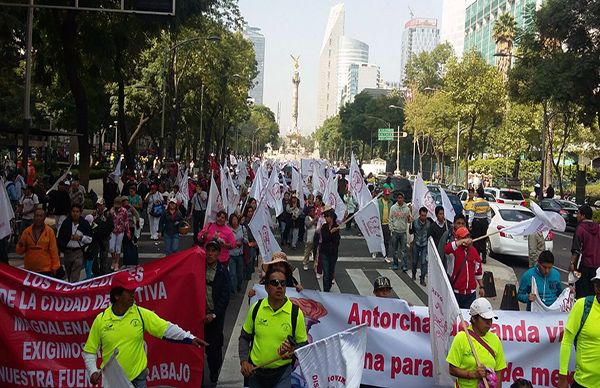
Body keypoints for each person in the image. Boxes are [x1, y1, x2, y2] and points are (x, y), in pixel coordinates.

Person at [83, 282, 207, 387]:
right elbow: (90, 351)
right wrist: (93, 371)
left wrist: (190, 338)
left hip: (138, 379)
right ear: (117, 296)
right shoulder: (101, 320)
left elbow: (165, 328)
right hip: (113, 382)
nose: (133, 294)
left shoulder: (141, 314)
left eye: (133, 291)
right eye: (129, 292)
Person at [239, 267, 308, 387]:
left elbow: (304, 345)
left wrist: (293, 352)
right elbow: (244, 337)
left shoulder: (295, 313)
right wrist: (244, 361)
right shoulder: (256, 308)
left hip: (282, 374)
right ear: (266, 287)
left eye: (283, 283)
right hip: (256, 373)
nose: (279, 286)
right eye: (274, 283)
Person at [447, 298, 507, 388]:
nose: (489, 323)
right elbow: (452, 369)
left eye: (491, 319)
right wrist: (473, 374)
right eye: (485, 319)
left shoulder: (495, 340)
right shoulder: (461, 338)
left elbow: (498, 371)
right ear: (474, 318)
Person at [558, 268, 600, 388]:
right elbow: (566, 341)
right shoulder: (582, 305)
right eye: (597, 285)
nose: (599, 289)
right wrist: (562, 377)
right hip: (583, 383)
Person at [204, 239, 231, 384]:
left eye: (213, 250)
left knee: (213, 350)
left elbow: (225, 296)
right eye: (208, 250)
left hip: (214, 318)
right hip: (199, 316)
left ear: (219, 253)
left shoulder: (222, 272)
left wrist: (214, 314)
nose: (210, 254)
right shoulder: (199, 267)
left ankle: (214, 371)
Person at [445, 227, 485, 308]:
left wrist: (481, 287)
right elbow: (446, 249)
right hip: (456, 293)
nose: (466, 239)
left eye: (467, 237)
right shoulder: (453, 252)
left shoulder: (473, 251)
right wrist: (461, 242)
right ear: (458, 238)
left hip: (471, 294)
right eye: (463, 237)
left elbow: (478, 271)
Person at [16, 208, 60, 276]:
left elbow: (53, 251)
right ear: (33, 217)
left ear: (44, 218)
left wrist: (55, 267)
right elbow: (19, 252)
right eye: (36, 215)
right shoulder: (26, 231)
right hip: (29, 270)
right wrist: (20, 244)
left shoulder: (49, 231)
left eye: (40, 216)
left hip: (45, 270)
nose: (38, 218)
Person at [570, 204, 600, 299]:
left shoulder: (580, 229)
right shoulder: (598, 228)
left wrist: (572, 265)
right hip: (597, 268)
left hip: (583, 267)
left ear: (583, 216)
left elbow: (576, 250)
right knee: (595, 293)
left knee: (582, 294)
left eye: (578, 213)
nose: (577, 216)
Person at [57, 204, 93, 282]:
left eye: (77, 211)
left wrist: (80, 238)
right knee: (69, 274)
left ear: (80, 213)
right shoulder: (66, 223)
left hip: (78, 252)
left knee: (75, 275)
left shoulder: (84, 224)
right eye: (73, 211)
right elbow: (60, 237)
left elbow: (90, 239)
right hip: (67, 252)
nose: (75, 213)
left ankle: (72, 290)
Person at [468, 187, 491, 264]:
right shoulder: (486, 203)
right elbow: (489, 215)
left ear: (477, 194)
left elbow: (471, 215)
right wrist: (488, 223)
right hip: (484, 222)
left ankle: (477, 256)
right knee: (483, 240)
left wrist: (470, 224)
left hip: (476, 222)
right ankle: (484, 258)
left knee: (476, 240)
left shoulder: (474, 203)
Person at [389, 192, 411, 271]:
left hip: (403, 232)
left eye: (401, 198)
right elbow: (390, 219)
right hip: (395, 232)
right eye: (398, 198)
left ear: (403, 199)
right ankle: (395, 264)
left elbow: (409, 220)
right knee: (395, 250)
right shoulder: (393, 208)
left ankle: (404, 265)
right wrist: (392, 229)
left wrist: (409, 218)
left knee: (403, 250)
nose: (400, 199)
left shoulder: (407, 209)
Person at [320, 208, 340, 292]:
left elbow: (336, 241)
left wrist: (334, 232)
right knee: (326, 272)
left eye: (327, 217)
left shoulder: (336, 227)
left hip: (333, 253)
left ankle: (328, 287)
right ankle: (326, 290)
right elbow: (325, 238)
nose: (325, 219)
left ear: (331, 217)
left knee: (331, 272)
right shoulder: (324, 227)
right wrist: (330, 232)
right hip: (324, 252)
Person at [410, 207, 431, 286]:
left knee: (423, 262)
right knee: (415, 261)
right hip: (416, 243)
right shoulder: (415, 222)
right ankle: (413, 274)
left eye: (425, 216)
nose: (423, 217)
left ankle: (422, 278)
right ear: (419, 214)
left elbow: (430, 234)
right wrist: (410, 225)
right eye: (422, 215)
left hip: (424, 244)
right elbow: (411, 232)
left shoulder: (429, 223)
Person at [109, 197, 129, 271]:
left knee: (118, 248)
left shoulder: (124, 211)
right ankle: (113, 259)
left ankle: (117, 262)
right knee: (111, 248)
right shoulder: (111, 211)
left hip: (121, 231)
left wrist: (128, 232)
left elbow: (126, 221)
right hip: (113, 231)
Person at [228, 213, 246, 294]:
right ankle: (232, 289)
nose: (234, 221)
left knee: (240, 274)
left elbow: (246, 240)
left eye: (235, 219)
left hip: (240, 254)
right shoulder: (228, 229)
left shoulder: (242, 228)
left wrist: (242, 241)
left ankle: (239, 285)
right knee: (232, 274)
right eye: (232, 220)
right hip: (231, 254)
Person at [377, 188, 393, 262]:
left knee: (386, 240)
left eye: (388, 195)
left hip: (387, 224)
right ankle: (378, 251)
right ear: (383, 194)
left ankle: (386, 253)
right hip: (380, 224)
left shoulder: (391, 203)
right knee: (379, 239)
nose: (387, 196)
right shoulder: (378, 202)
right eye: (386, 194)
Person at [303, 206, 317, 271]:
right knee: (307, 251)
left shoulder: (317, 218)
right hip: (309, 237)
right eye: (311, 211)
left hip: (315, 237)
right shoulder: (307, 218)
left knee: (316, 252)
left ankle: (315, 264)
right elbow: (308, 225)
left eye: (313, 211)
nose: (313, 212)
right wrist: (314, 221)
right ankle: (305, 263)